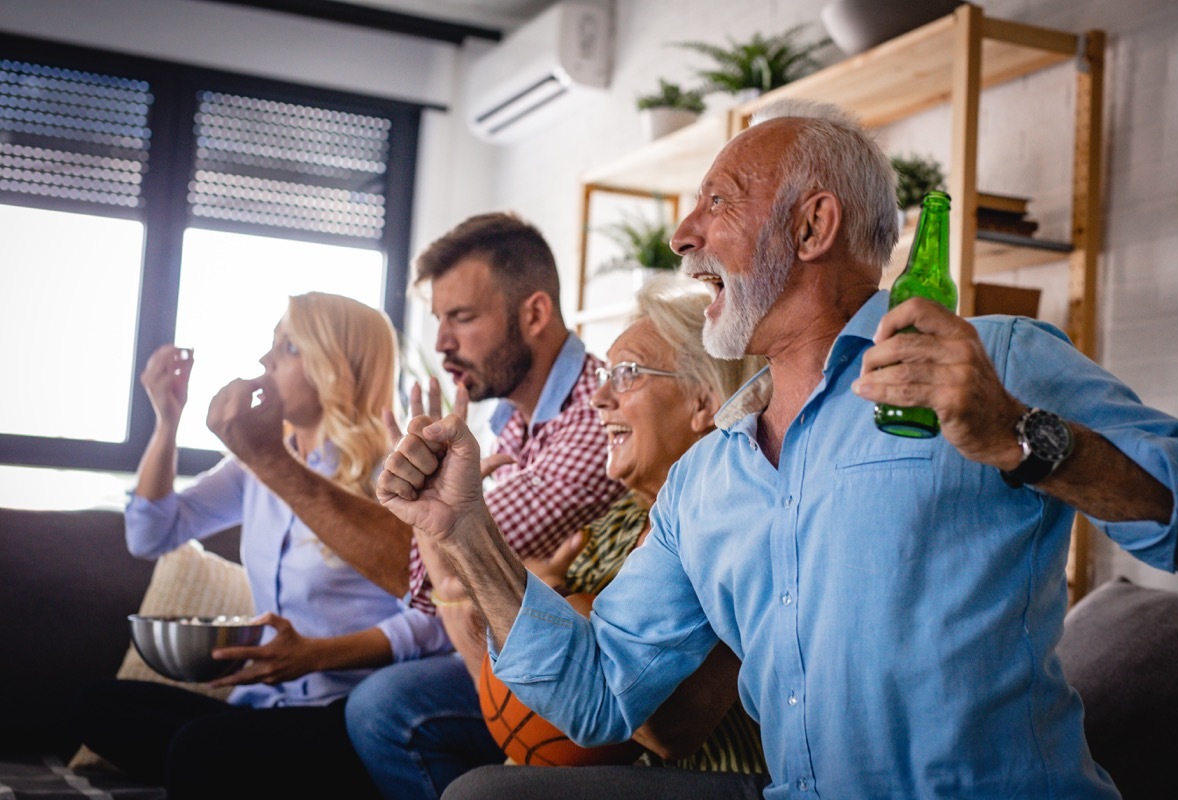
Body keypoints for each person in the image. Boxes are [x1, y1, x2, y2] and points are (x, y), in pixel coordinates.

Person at [378, 98, 1178, 800]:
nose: (681, 235)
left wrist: (1022, 437)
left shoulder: (997, 360)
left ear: (813, 225)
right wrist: (464, 531)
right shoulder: (706, 477)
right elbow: (595, 694)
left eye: (719, 204)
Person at [74, 292, 449, 799]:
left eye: (288, 348)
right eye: (272, 344)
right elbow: (150, 534)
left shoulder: (394, 474)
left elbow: (437, 616)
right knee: (98, 706)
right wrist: (167, 421)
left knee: (198, 749)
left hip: (343, 711)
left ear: (335, 367)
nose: (265, 361)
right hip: (260, 703)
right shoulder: (255, 468)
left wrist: (318, 655)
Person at [425, 274, 769, 795]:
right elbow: (510, 694)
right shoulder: (612, 525)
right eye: (605, 373)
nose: (598, 398)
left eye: (626, 374)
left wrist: (552, 609)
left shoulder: (731, 528)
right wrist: (505, 595)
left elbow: (666, 730)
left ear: (704, 402)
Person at [335, 211, 626, 799]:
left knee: (384, 706)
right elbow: (451, 580)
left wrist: (440, 533)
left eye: (462, 318)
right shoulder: (513, 422)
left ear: (534, 314)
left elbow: (439, 570)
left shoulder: (593, 421)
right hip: (510, 645)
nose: (441, 342)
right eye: (440, 319)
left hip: (587, 679)